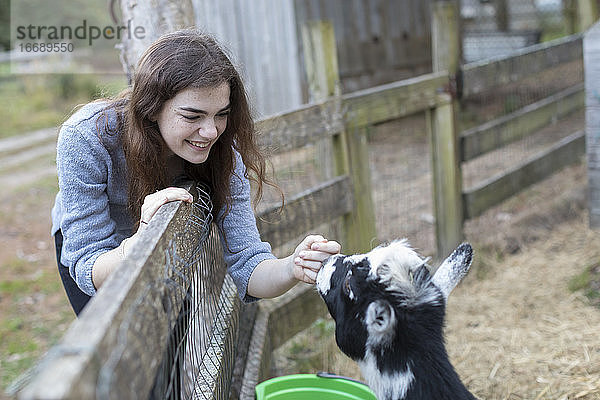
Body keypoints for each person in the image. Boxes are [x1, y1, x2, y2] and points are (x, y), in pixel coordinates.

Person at [51, 29, 341, 316]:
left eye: (222, 114)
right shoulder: (87, 137)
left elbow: (250, 266)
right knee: (117, 351)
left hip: (167, 244)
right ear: (152, 108)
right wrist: (143, 241)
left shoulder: (224, 156)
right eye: (193, 116)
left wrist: (292, 267)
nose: (211, 131)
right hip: (98, 253)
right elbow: (88, 265)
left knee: (172, 343)